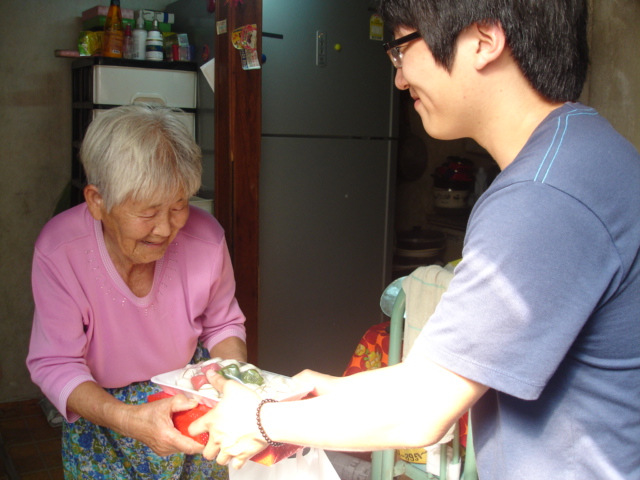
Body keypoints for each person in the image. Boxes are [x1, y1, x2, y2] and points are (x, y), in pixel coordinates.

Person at [185, 0, 640, 478]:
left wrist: (260, 419)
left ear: (484, 40)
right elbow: (441, 378)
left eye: (402, 48)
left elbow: (421, 409)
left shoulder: (541, 199)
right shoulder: (584, 148)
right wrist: (333, 392)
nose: (399, 80)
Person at [26, 104, 247, 479]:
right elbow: (56, 362)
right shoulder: (60, 250)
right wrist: (128, 419)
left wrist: (233, 382)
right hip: (103, 413)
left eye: (179, 206)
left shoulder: (206, 239)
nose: (165, 228)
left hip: (189, 399)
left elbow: (222, 324)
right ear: (97, 201)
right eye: (147, 212)